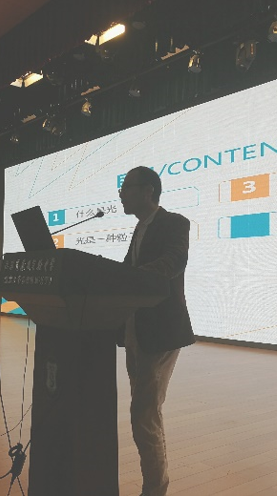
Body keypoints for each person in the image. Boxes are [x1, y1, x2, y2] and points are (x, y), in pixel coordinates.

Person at [118, 166, 195, 496]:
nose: (121, 194)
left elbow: (173, 262)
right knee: (144, 411)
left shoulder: (174, 223)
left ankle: (155, 489)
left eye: (126, 187)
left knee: (144, 413)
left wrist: (131, 277)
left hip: (160, 330)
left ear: (148, 190)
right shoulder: (140, 228)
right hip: (135, 328)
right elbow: (127, 270)